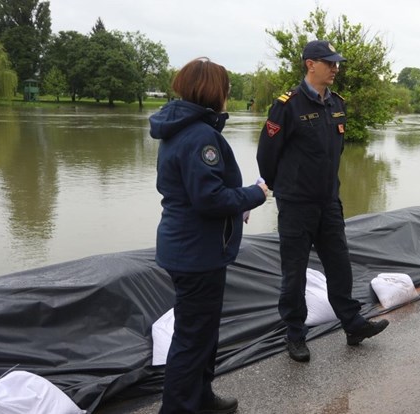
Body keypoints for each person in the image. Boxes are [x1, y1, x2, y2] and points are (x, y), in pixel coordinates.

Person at [256, 40, 388, 363]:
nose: (335, 68)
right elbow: (266, 156)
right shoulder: (287, 105)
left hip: (329, 201)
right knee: (295, 273)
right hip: (296, 205)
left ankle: (353, 324)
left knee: (339, 264)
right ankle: (295, 334)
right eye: (329, 63)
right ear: (310, 64)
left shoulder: (336, 104)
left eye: (336, 63)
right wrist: (284, 187)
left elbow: (335, 154)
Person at [150, 57, 268, 414]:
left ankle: (201, 397)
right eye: (227, 89)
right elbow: (208, 198)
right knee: (192, 338)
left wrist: (236, 205)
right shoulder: (200, 135)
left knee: (201, 334)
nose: (228, 96)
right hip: (196, 253)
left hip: (188, 247)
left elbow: (199, 192)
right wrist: (255, 194)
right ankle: (179, 407)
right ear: (214, 92)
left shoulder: (180, 129)